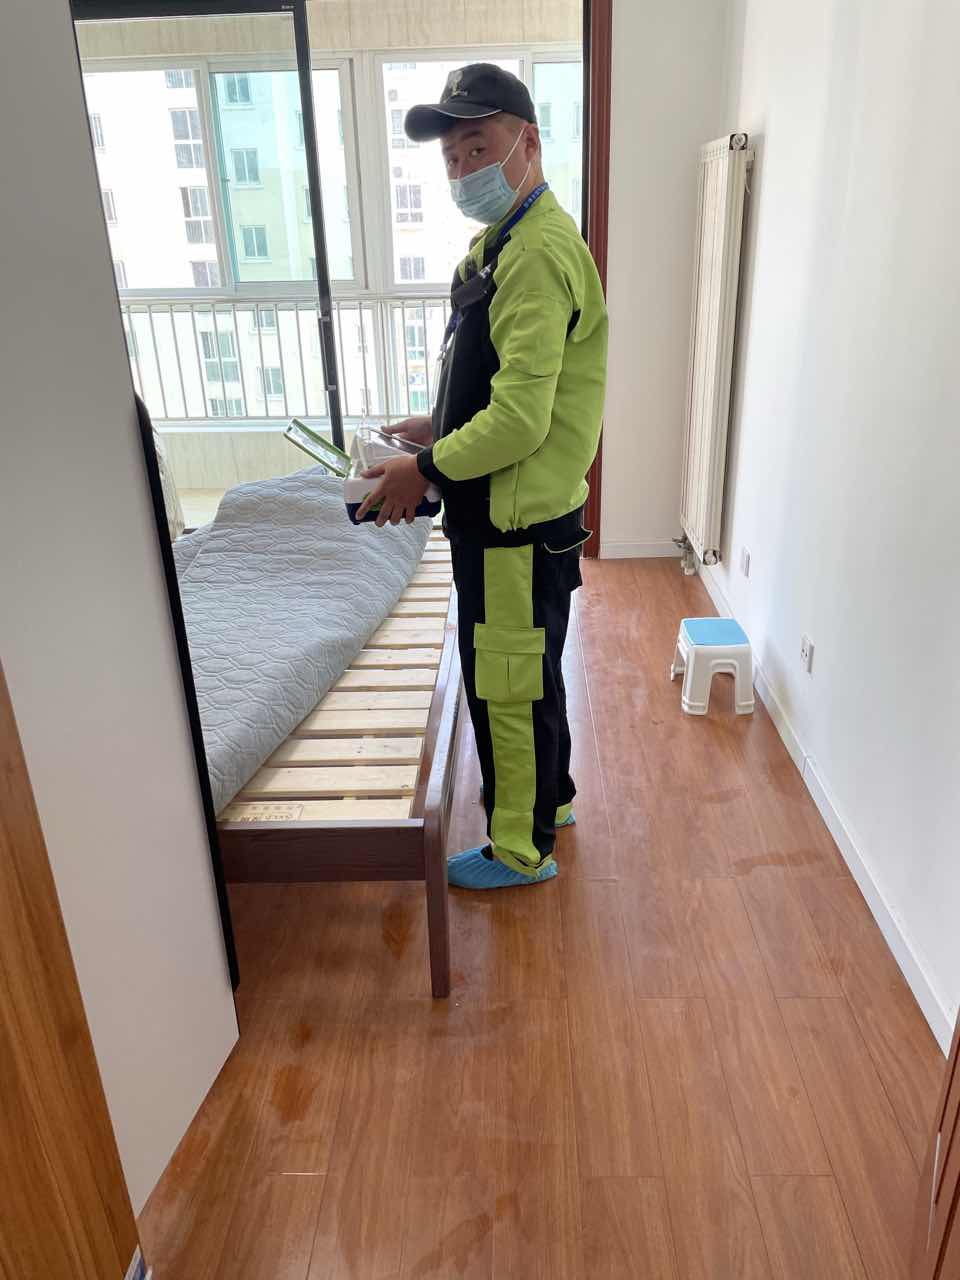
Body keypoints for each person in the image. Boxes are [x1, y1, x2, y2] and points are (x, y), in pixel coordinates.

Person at [357, 63, 608, 889]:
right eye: (452, 158)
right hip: (525, 513)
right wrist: (437, 425)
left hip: (511, 524)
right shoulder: (508, 240)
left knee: (505, 683)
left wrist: (424, 468)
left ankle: (520, 850)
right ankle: (550, 801)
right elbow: (508, 385)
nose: (464, 169)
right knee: (530, 669)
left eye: (477, 146)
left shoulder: (535, 254)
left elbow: (521, 421)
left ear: (527, 141)